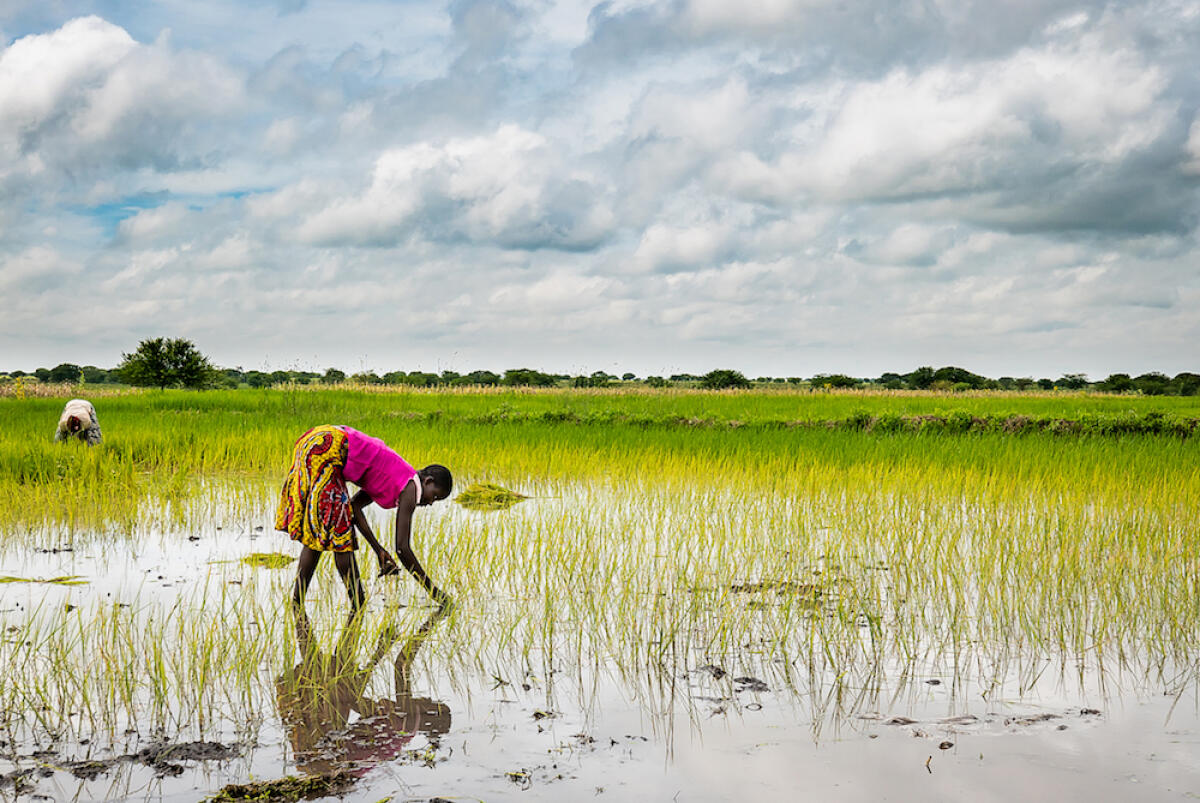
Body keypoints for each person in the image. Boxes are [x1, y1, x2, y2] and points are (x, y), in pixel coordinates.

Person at [275, 425, 453, 615]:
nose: (431, 503)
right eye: (434, 496)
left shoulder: (398, 478)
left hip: (315, 442)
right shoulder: (410, 489)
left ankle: (298, 602)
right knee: (340, 535)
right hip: (329, 448)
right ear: (427, 482)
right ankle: (357, 602)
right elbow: (402, 548)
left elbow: (354, 507)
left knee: (323, 531)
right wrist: (436, 593)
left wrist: (379, 551)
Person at [276, 606, 451, 777]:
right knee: (337, 684)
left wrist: (426, 628)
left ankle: (299, 611)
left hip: (327, 760)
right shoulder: (398, 732)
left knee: (334, 684)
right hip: (324, 761)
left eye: (430, 701)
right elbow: (355, 698)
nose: (425, 697)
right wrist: (380, 651)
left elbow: (401, 665)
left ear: (431, 712)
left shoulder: (408, 721)